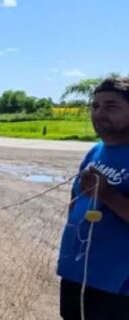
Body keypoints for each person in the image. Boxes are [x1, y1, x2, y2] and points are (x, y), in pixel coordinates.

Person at [57, 77, 129, 319]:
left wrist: (107, 195)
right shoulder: (95, 151)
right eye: (95, 106)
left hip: (118, 283)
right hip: (77, 272)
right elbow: (76, 198)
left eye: (111, 106)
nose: (99, 113)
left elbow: (102, 195)